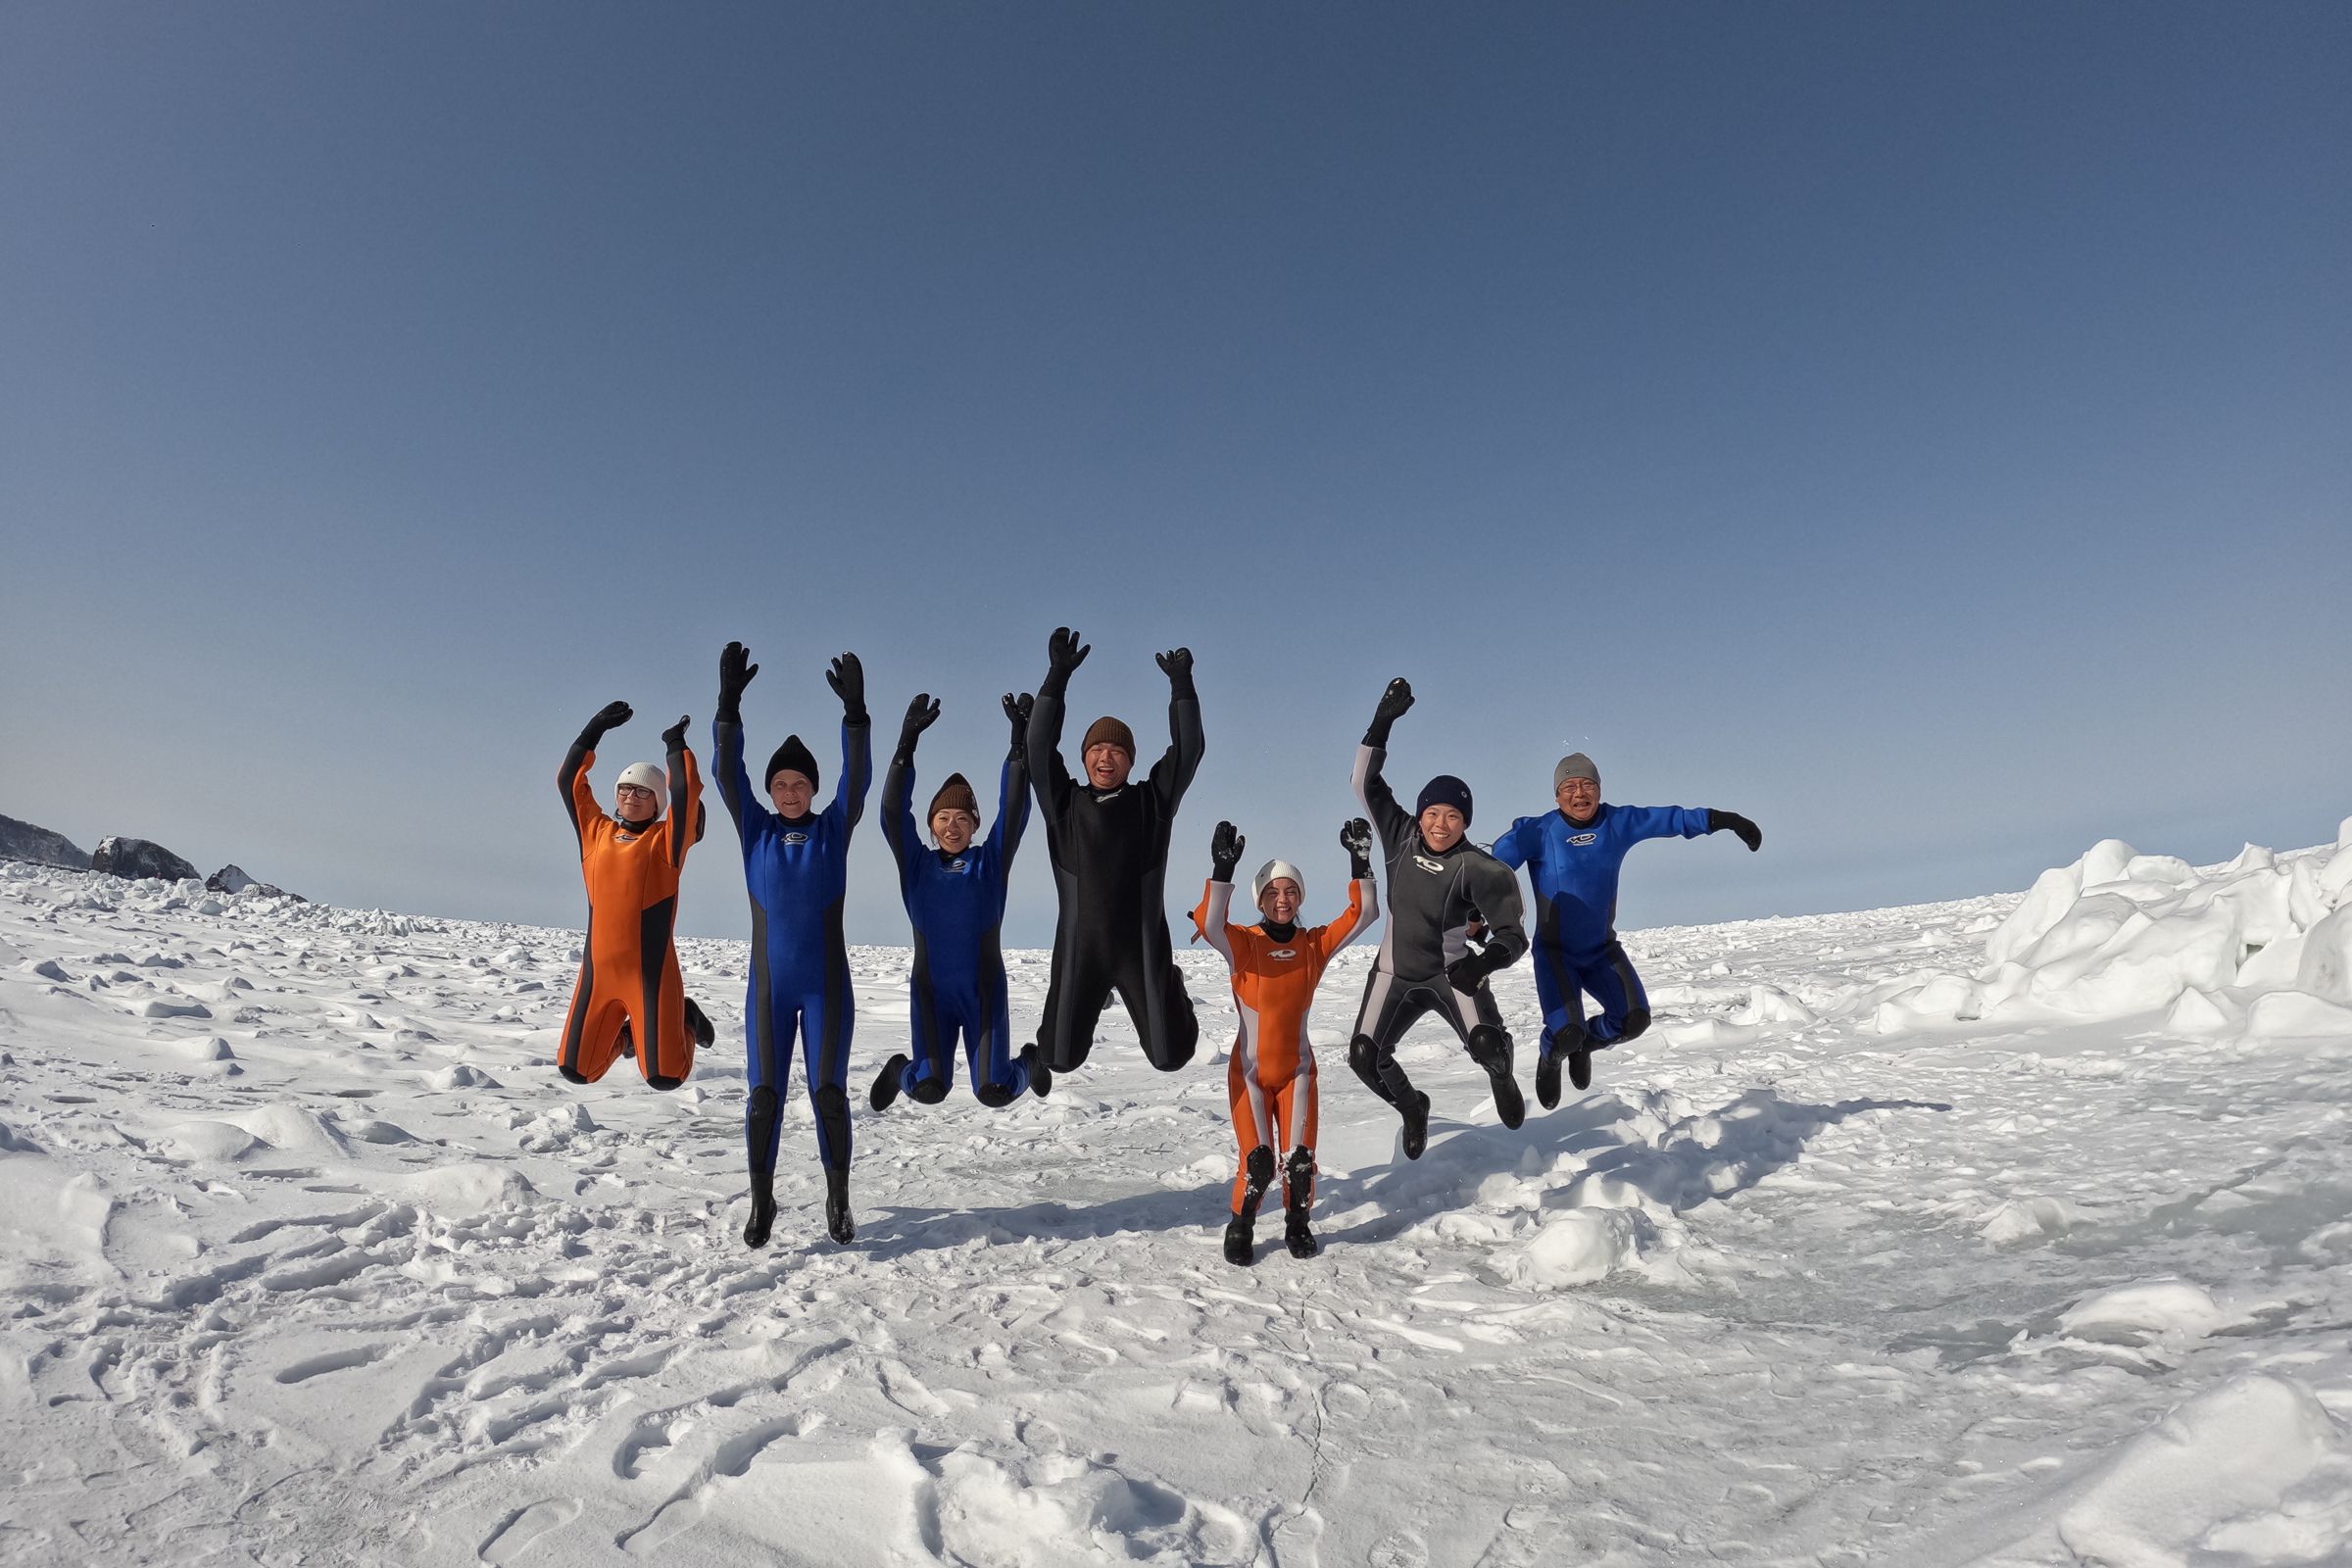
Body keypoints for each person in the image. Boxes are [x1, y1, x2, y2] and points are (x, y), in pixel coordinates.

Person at [711, 641, 872, 1250]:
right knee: (762, 1100)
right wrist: (728, 705)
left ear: (812, 788)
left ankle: (838, 1200)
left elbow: (858, 778)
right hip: (769, 989)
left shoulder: (834, 829)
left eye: (798, 783)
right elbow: (728, 773)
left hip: (827, 984)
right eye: (779, 783)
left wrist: (855, 715)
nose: (787, 792)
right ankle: (762, 1200)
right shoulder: (755, 829)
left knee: (828, 1094)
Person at [1490, 753, 1761, 1104]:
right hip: (1556, 954)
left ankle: (1586, 1044)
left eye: (1588, 784)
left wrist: (1726, 820)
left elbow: (1669, 819)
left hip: (1602, 950)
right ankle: (1551, 1053)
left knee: (1633, 1021)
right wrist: (1476, 906)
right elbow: (1494, 868)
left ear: (1600, 790)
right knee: (1564, 1032)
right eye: (1569, 786)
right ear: (1556, 796)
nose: (1579, 792)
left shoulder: (1617, 822)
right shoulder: (1537, 831)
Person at [1347, 677, 1529, 1155]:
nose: (1440, 824)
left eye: (1453, 816)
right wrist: (1382, 721)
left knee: (1488, 1046)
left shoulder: (1479, 868)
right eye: (1433, 813)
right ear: (1421, 813)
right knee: (1365, 1057)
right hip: (1394, 973)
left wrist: (1483, 963)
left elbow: (1513, 936)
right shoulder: (1399, 836)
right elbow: (1363, 781)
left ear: (1465, 823)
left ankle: (1503, 1076)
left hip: (1452, 974)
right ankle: (1413, 1107)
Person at [1191, 817, 1378, 1265]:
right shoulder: (1244, 944)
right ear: (1259, 898)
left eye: (1290, 891)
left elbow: (1365, 915)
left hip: (1298, 1074)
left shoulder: (1313, 946)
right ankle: (1242, 1226)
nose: (1282, 899)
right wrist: (1221, 872)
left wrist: (1361, 861)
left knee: (1299, 1160)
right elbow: (1209, 922)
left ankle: (1298, 1223)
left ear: (1300, 898)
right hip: (1250, 1075)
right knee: (1258, 1161)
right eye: (1272, 892)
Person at [1026, 626, 1203, 1074]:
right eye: (1098, 749)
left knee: (1172, 1055)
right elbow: (1037, 747)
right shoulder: (1064, 805)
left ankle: (1172, 984)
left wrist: (1181, 684)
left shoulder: (1152, 802)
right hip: (1079, 947)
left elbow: (1189, 750)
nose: (1106, 757)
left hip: (1140, 947)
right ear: (1085, 757)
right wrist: (1057, 677)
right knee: (1058, 1058)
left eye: (1118, 750)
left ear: (1131, 760)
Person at [869, 689, 1052, 1110]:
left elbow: (1014, 807)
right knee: (929, 1087)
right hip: (931, 992)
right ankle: (900, 1069)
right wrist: (906, 745)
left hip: (983, 991)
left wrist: (1018, 745)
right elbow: (892, 813)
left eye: (963, 819)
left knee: (995, 1090)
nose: (953, 827)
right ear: (932, 825)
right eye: (944, 818)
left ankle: (1030, 1062)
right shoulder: (916, 866)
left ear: (974, 826)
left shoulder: (990, 862)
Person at [554, 702, 705, 1090]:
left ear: (657, 801)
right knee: (577, 1070)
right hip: (598, 974)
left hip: (650, 975)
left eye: (643, 791)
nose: (631, 796)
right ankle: (626, 1037)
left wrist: (675, 746)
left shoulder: (664, 844)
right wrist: (594, 729)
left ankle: (685, 1019)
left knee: (664, 1076)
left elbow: (687, 795)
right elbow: (569, 780)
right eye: (625, 788)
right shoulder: (595, 833)